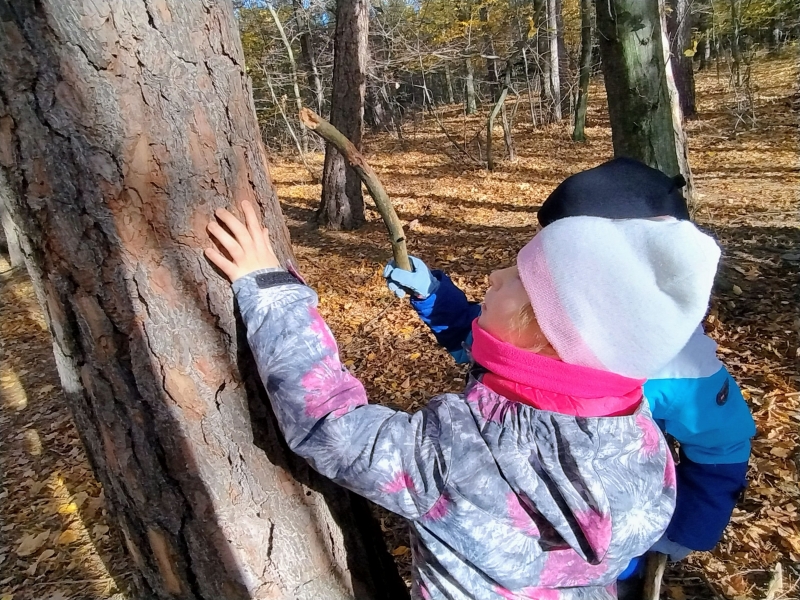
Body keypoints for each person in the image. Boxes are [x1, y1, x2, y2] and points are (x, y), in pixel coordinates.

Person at [206, 201, 720, 599]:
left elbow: (332, 426)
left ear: (548, 335)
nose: (495, 276)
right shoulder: (640, 440)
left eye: (518, 277)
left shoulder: (461, 450)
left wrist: (272, 292)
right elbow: (527, 375)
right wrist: (435, 294)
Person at [383, 158, 756, 583]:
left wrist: (682, 530)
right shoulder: (562, 323)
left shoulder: (680, 366)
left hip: (597, 552)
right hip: (503, 520)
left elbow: (720, 442)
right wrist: (434, 296)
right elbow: (490, 344)